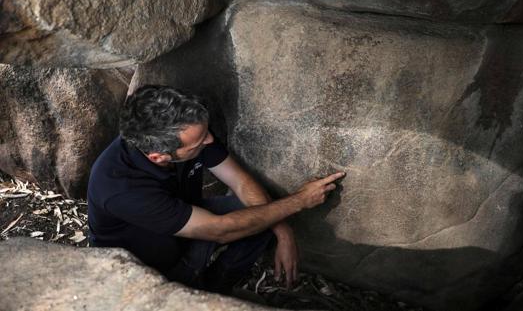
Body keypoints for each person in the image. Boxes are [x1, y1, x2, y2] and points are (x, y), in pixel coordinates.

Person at [87, 85, 344, 294]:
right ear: (159, 157)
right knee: (265, 214)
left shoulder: (187, 133)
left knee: (265, 212)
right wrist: (299, 201)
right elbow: (220, 230)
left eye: (206, 132)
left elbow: (240, 182)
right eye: (200, 142)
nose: (210, 140)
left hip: (183, 234)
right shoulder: (120, 187)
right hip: (145, 276)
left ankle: (216, 288)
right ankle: (193, 292)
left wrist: (284, 233)